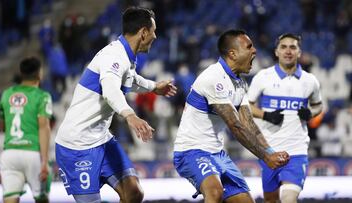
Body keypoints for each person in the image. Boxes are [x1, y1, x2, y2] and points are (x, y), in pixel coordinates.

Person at [55, 7, 177, 203]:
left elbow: (131, 79)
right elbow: (111, 89)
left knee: (134, 193)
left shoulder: (125, 56)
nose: (155, 36)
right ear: (143, 32)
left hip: (102, 140)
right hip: (77, 146)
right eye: (153, 30)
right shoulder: (115, 56)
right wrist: (131, 116)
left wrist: (154, 87)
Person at [173, 29, 290, 203]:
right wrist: (266, 157)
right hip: (191, 152)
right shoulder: (214, 78)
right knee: (214, 193)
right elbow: (235, 126)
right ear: (233, 54)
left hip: (218, 154)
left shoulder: (239, 83)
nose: (254, 51)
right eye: (249, 47)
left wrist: (271, 153)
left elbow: (248, 123)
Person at [248, 33, 323, 203]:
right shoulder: (263, 77)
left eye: (292, 47)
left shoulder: (310, 81)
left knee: (289, 199)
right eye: (283, 47)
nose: (288, 51)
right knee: (271, 201)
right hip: (268, 152)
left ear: (299, 52)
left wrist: (310, 113)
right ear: (276, 52)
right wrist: (266, 115)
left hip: (296, 152)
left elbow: (319, 105)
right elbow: (246, 105)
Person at [0, 56, 52, 203]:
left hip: (9, 153)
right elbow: (44, 128)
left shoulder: (6, 94)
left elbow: (2, 126)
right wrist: (45, 161)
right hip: (32, 153)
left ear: (21, 73)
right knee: (42, 199)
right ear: (39, 74)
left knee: (10, 199)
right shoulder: (42, 96)